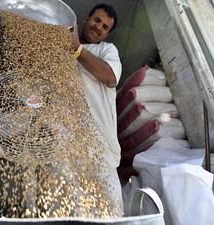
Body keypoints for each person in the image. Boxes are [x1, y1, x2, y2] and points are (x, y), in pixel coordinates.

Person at [71, 3, 123, 216]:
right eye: (97, 20)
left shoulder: (106, 50)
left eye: (105, 27)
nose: (98, 27)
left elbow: (110, 77)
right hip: (68, 144)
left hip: (101, 145)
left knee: (109, 211)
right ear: (87, 18)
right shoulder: (58, 53)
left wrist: (77, 49)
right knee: (71, 208)